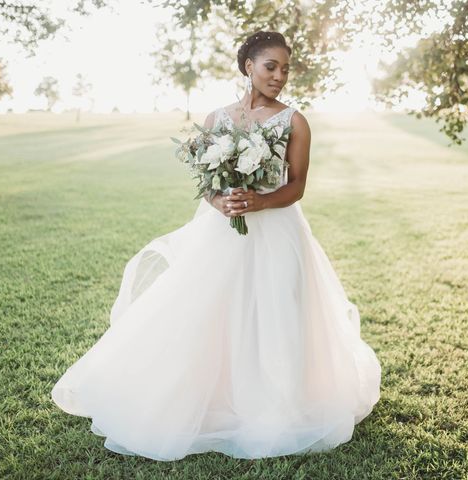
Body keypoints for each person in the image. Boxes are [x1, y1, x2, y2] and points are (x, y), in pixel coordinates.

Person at [51, 30, 381, 461]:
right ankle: (213, 394)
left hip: (279, 229)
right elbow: (207, 183)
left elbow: (297, 186)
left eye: (285, 69)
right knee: (212, 307)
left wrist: (260, 201)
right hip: (221, 232)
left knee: (277, 308)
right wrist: (221, 201)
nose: (279, 76)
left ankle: (279, 401)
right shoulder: (216, 120)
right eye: (270, 66)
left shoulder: (294, 121)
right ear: (249, 66)